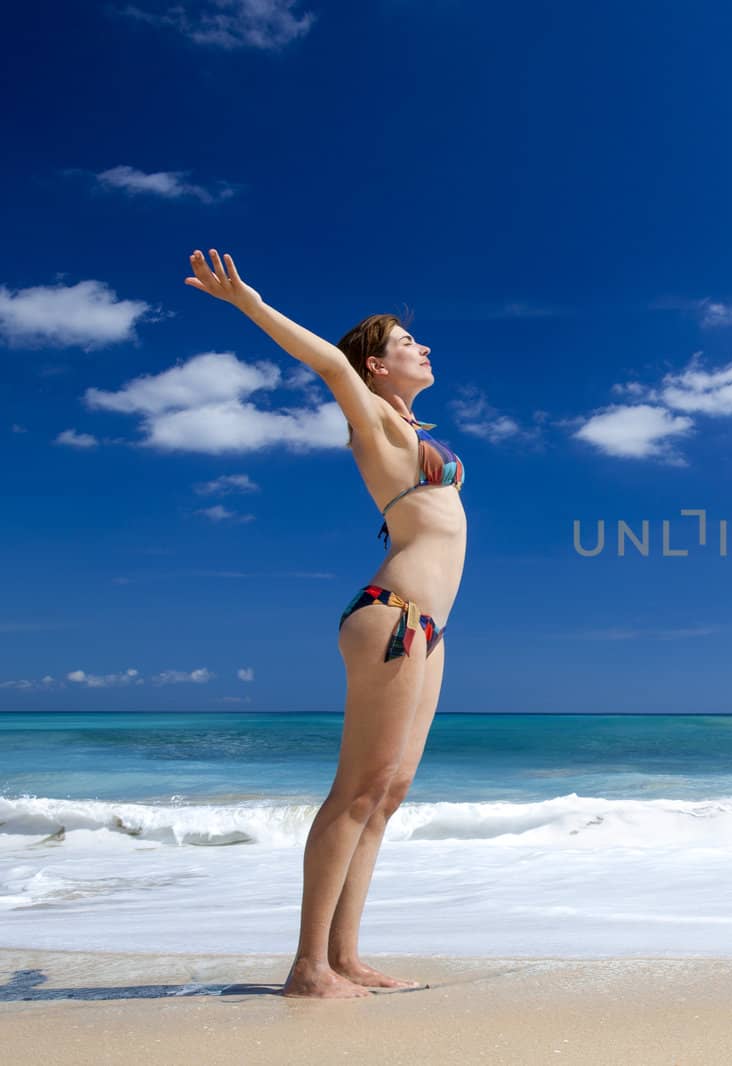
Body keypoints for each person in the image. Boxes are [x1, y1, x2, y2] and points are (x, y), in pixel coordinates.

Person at [184, 249, 467, 998]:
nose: (423, 347)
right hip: (392, 617)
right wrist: (249, 303)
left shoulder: (410, 425)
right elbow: (329, 366)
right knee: (357, 787)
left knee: (390, 791)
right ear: (376, 368)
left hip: (428, 630)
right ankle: (308, 965)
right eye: (406, 344)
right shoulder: (373, 416)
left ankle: (345, 957)